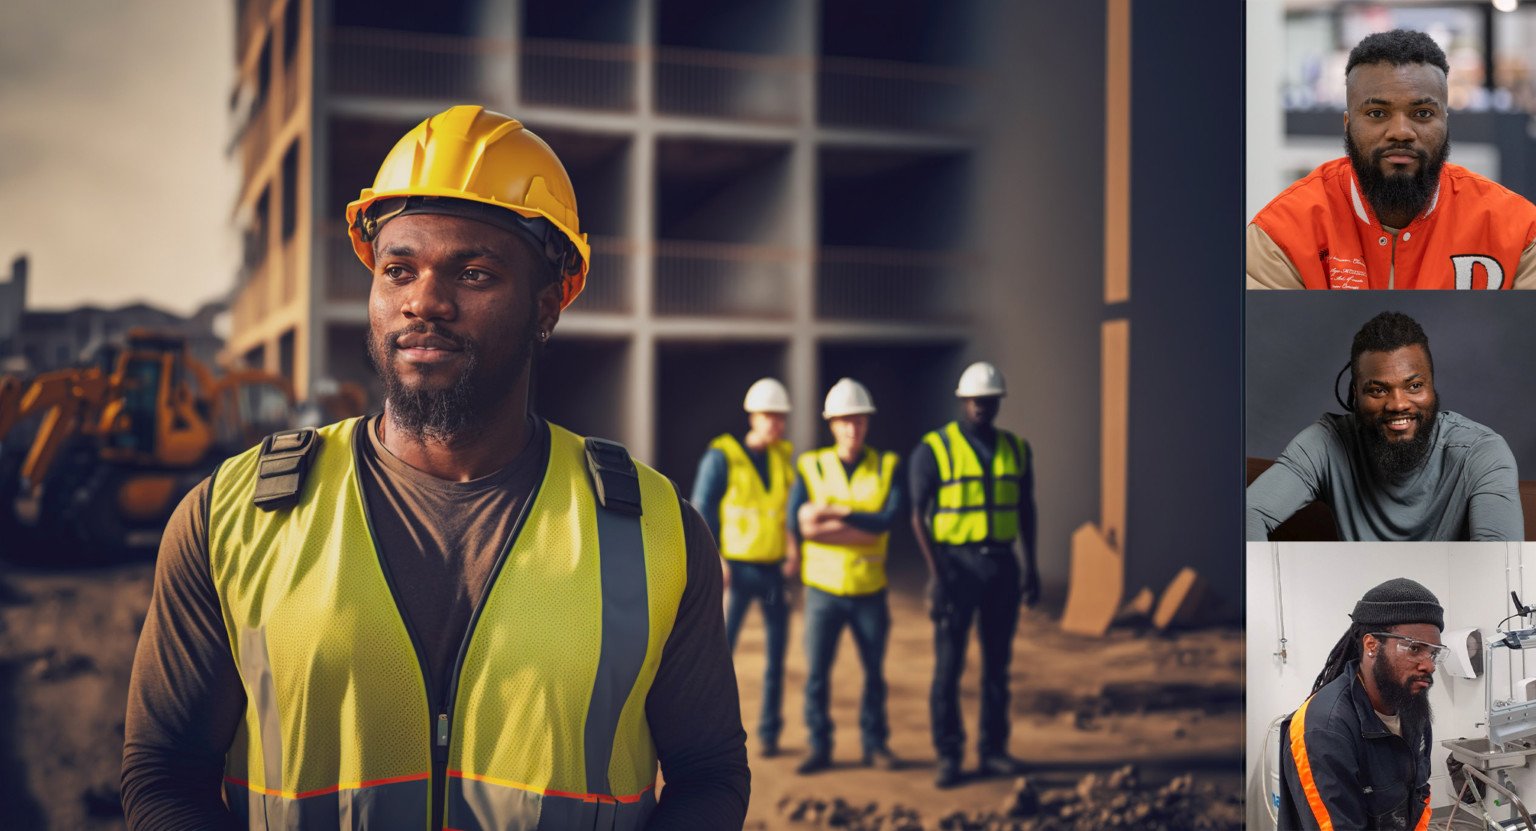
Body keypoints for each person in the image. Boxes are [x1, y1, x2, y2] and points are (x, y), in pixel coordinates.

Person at [120, 106, 749, 830]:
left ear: (549, 303)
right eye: (398, 270)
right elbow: (164, 775)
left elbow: (709, 776)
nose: (424, 301)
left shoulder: (655, 532)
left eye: (474, 272)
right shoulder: (230, 518)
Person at [1247, 29, 1536, 290]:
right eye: (1377, 114)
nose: (1401, 132)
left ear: (1446, 122)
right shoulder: (1283, 233)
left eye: (1422, 113)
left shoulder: (1518, 231)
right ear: (1347, 123)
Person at [1247, 311, 1521, 541]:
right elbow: (1247, 514)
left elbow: (1498, 558)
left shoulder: (1481, 453)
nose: (1398, 404)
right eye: (1378, 390)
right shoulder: (1326, 443)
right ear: (1355, 395)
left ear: (1432, 387)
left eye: (1414, 386)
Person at [908, 361, 1038, 788]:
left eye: (989, 400)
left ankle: (993, 750)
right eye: (975, 400)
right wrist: (938, 576)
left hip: (1002, 566)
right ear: (963, 401)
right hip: (956, 568)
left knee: (997, 667)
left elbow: (1025, 509)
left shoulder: (1017, 449)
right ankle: (949, 754)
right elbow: (917, 516)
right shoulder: (934, 449)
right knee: (949, 667)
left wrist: (1032, 566)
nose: (982, 406)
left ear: (998, 402)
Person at [790, 377, 904, 775]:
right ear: (832, 424)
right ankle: (819, 747)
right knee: (817, 676)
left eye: (858, 421)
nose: (852, 429)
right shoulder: (811, 465)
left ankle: (877, 745)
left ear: (867, 423)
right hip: (823, 592)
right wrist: (860, 528)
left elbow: (887, 521)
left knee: (874, 675)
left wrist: (833, 514)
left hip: (869, 591)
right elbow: (800, 523)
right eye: (844, 421)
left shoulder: (887, 466)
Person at [1278, 578, 1441, 830]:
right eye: (1414, 648)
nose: (1429, 665)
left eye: (1433, 653)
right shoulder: (1323, 730)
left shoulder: (1412, 708)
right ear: (1371, 645)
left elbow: (1420, 793)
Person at [690, 377, 798, 757]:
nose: (776, 424)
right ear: (752, 416)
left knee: (776, 656)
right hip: (734, 570)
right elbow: (700, 511)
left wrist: (792, 548)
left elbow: (786, 509)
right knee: (719, 655)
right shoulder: (722, 456)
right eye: (769, 416)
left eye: (781, 417)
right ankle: (706, 731)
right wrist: (715, 559)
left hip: (772, 571)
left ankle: (769, 733)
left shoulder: (783, 457)